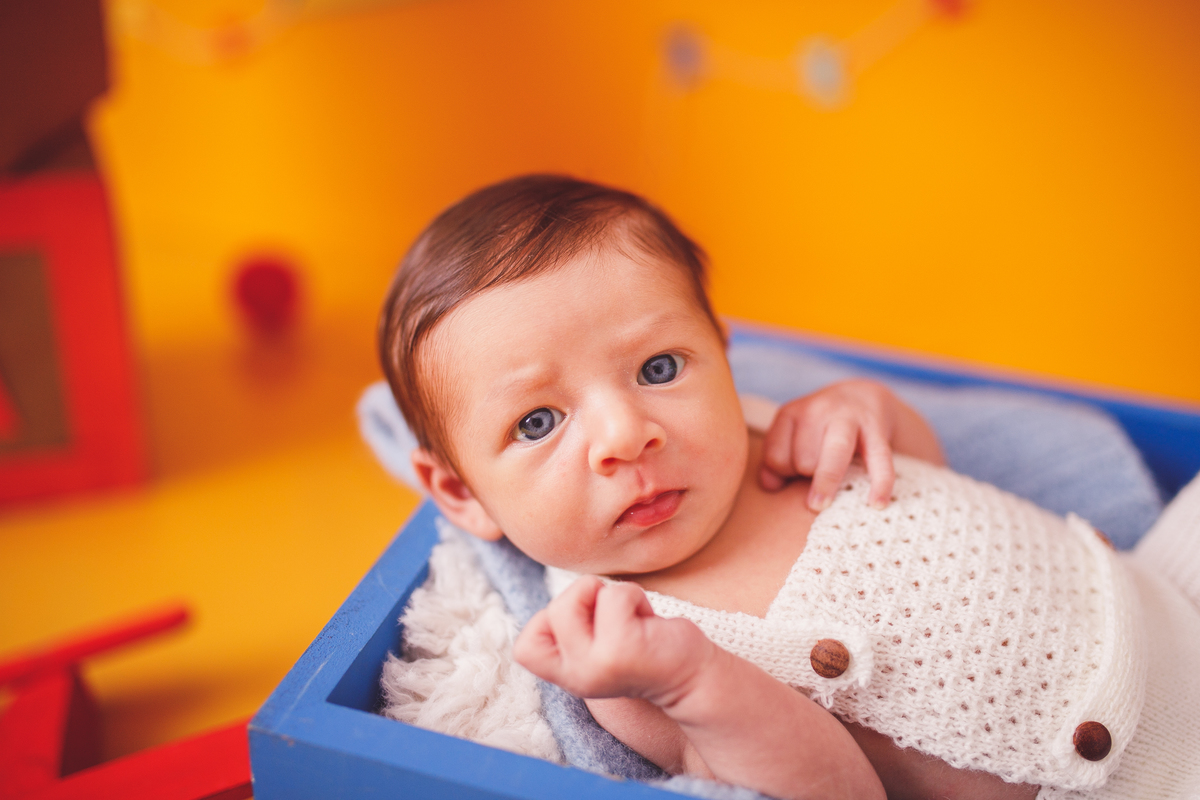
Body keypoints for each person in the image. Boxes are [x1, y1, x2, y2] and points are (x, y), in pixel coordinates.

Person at [379, 174, 1200, 800]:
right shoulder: (628, 652)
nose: (627, 434)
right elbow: (836, 792)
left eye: (658, 369)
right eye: (537, 422)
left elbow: (928, 482)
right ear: (459, 493)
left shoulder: (781, 431)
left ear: (719, 351)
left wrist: (871, 412)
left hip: (1163, 587)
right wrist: (692, 684)